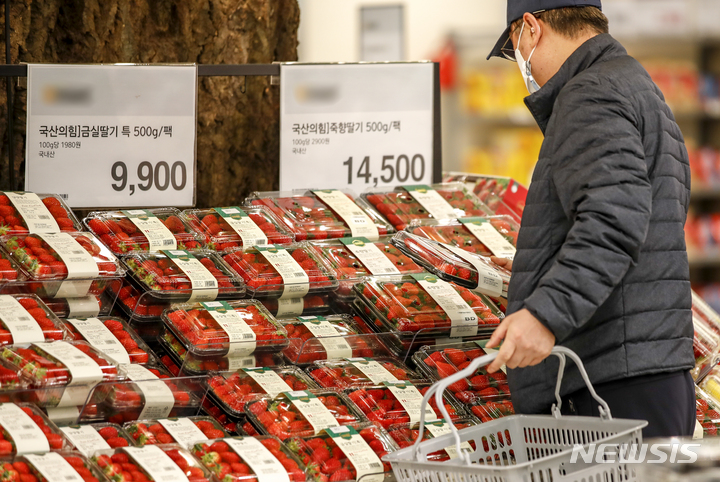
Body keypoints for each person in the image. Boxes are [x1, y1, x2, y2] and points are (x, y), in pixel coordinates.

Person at [484, 0, 695, 438]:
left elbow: (613, 219)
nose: (519, 61)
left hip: (609, 386)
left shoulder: (588, 92)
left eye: (513, 48)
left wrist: (543, 315)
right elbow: (645, 216)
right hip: (646, 375)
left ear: (530, 27)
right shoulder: (636, 84)